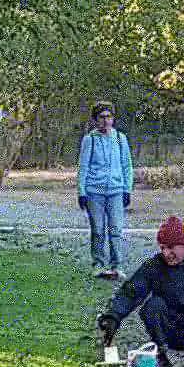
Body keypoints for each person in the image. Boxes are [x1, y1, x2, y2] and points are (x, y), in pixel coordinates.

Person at [97, 216, 184, 367]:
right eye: (163, 247)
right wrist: (113, 316)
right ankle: (162, 354)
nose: (167, 253)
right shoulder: (154, 266)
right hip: (169, 329)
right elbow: (131, 292)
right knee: (153, 305)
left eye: (172, 248)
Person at [77, 101, 135, 279]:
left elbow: (127, 165)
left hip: (116, 191)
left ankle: (117, 265)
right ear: (95, 120)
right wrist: (82, 192)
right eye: (101, 117)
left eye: (109, 116)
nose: (105, 121)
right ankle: (98, 264)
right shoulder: (90, 139)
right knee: (98, 229)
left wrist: (127, 189)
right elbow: (83, 167)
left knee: (116, 229)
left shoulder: (120, 138)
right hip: (94, 191)